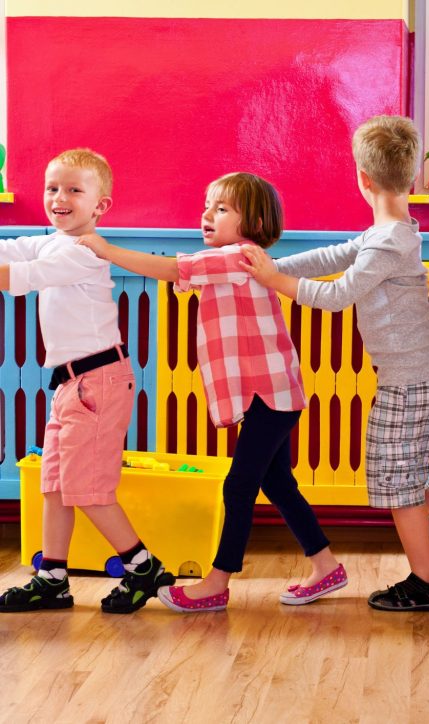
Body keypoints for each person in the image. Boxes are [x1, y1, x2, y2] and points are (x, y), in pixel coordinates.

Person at [240, 115, 429, 611]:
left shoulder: (390, 240)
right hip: (411, 376)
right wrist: (268, 268)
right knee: (403, 473)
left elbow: (337, 295)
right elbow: (333, 256)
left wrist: (272, 281)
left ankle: (426, 583)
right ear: (410, 178)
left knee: (396, 483)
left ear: (362, 179)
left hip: (410, 381)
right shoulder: (388, 233)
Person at [79, 172, 345, 612]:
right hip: (271, 394)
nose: (207, 214)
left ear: (254, 220)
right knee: (278, 484)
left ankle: (217, 584)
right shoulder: (227, 260)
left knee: (238, 488)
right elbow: (182, 275)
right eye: (208, 206)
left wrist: (104, 248)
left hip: (269, 394)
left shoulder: (239, 257)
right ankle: (326, 565)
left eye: (221, 209)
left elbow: (170, 269)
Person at [0, 148, 174, 614]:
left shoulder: (82, 251)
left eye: (74, 190)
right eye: (53, 188)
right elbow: (9, 251)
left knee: (87, 488)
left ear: (100, 206)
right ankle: (52, 577)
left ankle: (143, 568)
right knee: (55, 483)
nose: (60, 197)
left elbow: (18, 276)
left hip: (97, 383)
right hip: (71, 386)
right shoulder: (49, 240)